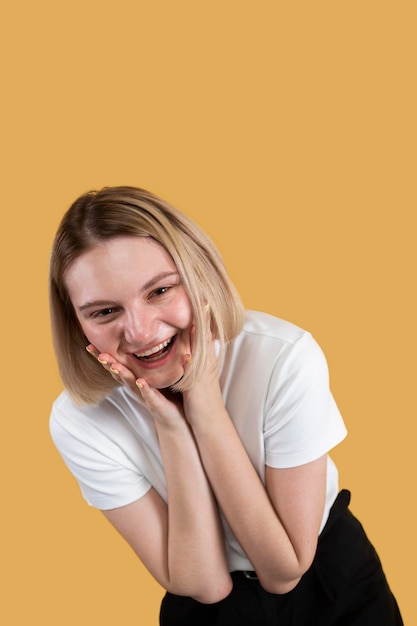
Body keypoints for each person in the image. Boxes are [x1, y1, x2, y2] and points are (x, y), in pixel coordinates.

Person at [49, 185, 403, 625]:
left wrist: (205, 405)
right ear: (76, 322)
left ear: (198, 275)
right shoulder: (78, 420)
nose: (139, 332)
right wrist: (174, 430)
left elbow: (285, 568)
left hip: (332, 584)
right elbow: (205, 585)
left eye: (159, 291)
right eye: (104, 312)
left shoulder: (283, 357)